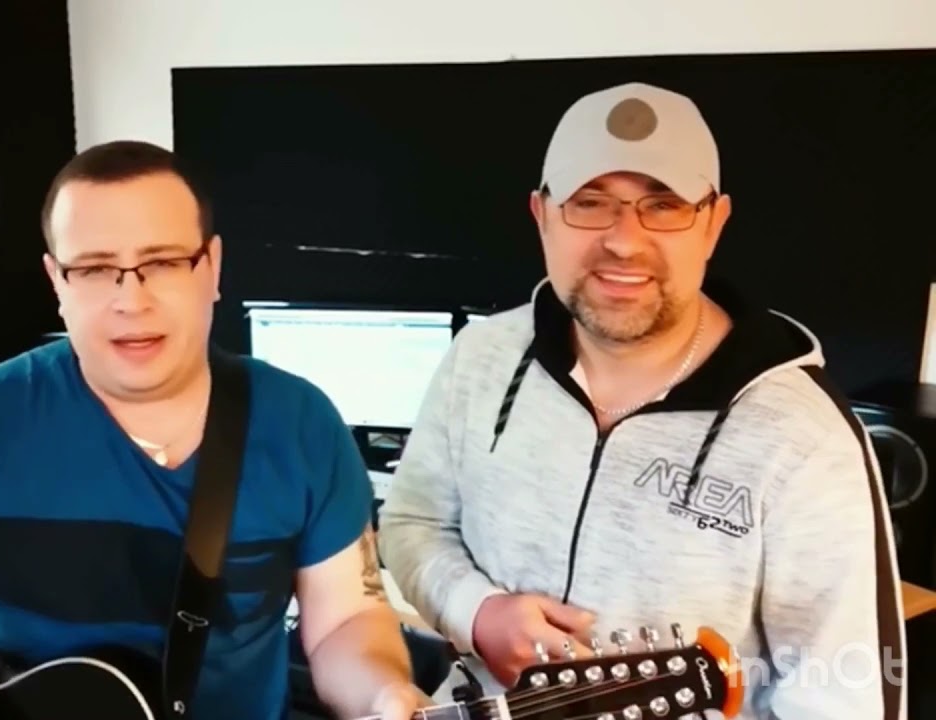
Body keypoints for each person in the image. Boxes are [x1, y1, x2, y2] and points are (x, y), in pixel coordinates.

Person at [0, 140, 429, 720]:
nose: (131, 300)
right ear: (57, 282)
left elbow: (346, 617)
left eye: (162, 262)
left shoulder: (302, 425)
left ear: (212, 268)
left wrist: (383, 693)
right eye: (92, 269)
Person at [376, 82, 907, 720]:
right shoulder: (480, 358)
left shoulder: (803, 437)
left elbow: (845, 696)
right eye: (590, 203)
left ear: (714, 223)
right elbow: (412, 523)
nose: (624, 241)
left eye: (664, 205)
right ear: (542, 216)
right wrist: (476, 611)